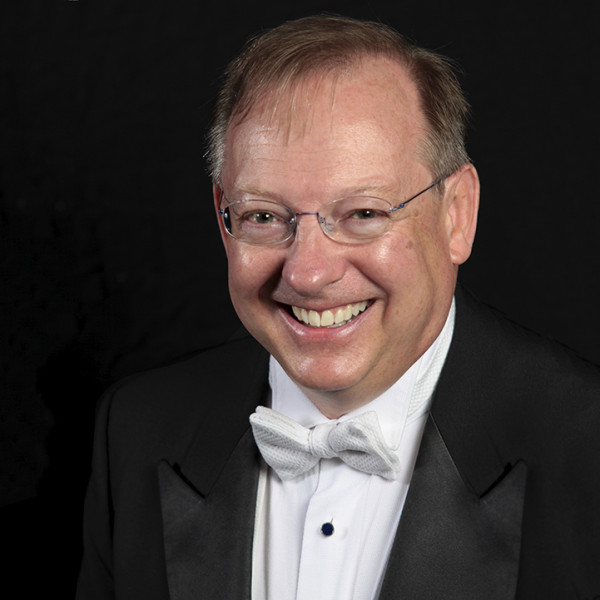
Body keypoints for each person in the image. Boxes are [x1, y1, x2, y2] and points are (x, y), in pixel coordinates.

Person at [76, 15, 600, 600]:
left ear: (457, 214)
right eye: (264, 216)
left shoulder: (585, 450)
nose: (307, 273)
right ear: (224, 220)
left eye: (363, 214)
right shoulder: (136, 430)